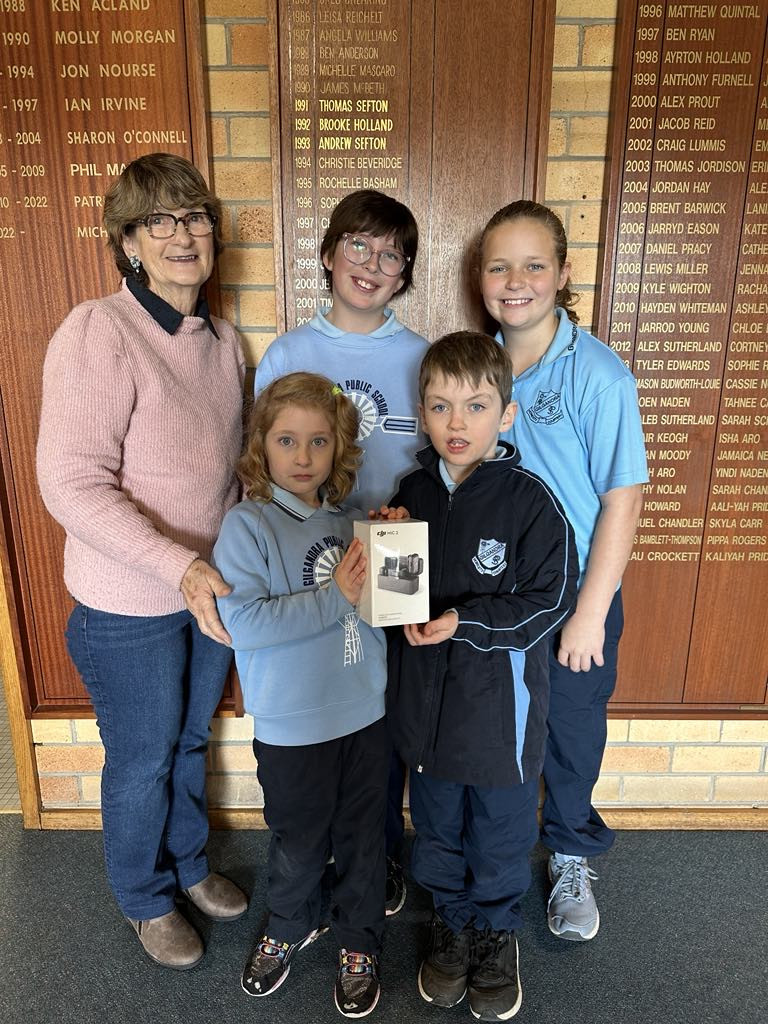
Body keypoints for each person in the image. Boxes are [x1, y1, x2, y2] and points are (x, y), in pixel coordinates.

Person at [36, 153, 247, 970]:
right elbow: (71, 484)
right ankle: (141, 894)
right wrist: (179, 567)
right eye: (158, 220)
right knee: (142, 759)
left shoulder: (223, 344)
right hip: (127, 604)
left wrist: (230, 565)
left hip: (207, 593)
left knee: (191, 741)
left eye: (194, 216)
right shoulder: (100, 331)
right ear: (128, 241)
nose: (182, 234)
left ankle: (190, 866)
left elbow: (226, 479)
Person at [385, 332, 579, 1021]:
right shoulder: (409, 492)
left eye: (474, 405)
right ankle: (451, 922)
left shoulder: (531, 502)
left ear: (507, 414)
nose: (456, 422)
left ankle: (496, 932)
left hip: (501, 716)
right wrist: (387, 556)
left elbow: (549, 602)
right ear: (422, 412)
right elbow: (395, 598)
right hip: (428, 712)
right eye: (440, 406)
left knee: (498, 834)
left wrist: (464, 623)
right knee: (436, 828)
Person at [254, 189, 429, 914]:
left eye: (391, 253)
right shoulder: (290, 352)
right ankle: (315, 852)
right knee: (320, 709)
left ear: (404, 273)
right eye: (358, 245)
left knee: (379, 720)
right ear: (328, 256)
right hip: (311, 556)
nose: (373, 263)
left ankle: (380, 849)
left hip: (393, 552)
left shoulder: (420, 355)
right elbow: (263, 463)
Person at [478, 200, 647, 942]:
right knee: (497, 731)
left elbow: (624, 498)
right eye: (499, 266)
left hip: (574, 598)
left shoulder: (598, 374)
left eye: (534, 265)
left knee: (571, 731)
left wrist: (588, 612)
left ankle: (572, 854)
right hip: (494, 595)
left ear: (564, 274)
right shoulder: (474, 364)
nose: (516, 281)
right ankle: (496, 858)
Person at [213, 372, 400, 1019]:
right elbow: (246, 624)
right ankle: (290, 924)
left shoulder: (353, 523)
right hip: (293, 729)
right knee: (297, 840)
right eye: (287, 439)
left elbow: (395, 613)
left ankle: (359, 942)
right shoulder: (247, 526)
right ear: (262, 445)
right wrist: (336, 595)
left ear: (337, 450)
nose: (301, 455)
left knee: (363, 839)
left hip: (365, 717)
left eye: (318, 441)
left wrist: (395, 550)